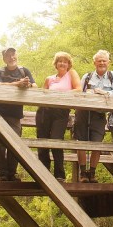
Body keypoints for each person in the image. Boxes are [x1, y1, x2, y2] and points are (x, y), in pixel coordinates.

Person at [74, 49, 113, 183]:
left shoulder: (112, 76)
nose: (102, 63)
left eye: (104, 60)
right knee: (80, 142)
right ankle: (83, 173)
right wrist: (88, 93)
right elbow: (78, 93)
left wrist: (102, 93)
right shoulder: (87, 76)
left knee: (97, 144)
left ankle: (92, 173)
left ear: (108, 63)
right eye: (99, 60)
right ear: (94, 62)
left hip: (99, 114)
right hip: (83, 112)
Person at [0, 47, 36, 182]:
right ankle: (2, 174)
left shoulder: (24, 71)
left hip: (15, 114)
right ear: (4, 59)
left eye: (13, 54)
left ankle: (12, 173)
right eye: (8, 55)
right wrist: (17, 83)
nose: (12, 57)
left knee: (15, 143)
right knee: (0, 143)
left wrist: (27, 85)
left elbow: (35, 86)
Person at [36, 51, 81, 181]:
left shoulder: (71, 74)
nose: (62, 63)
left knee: (56, 139)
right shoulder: (49, 79)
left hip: (61, 111)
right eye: (60, 61)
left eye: (65, 61)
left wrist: (60, 96)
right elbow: (41, 95)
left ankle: (59, 174)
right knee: (42, 140)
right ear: (55, 64)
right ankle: (43, 173)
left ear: (68, 64)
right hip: (45, 111)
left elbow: (78, 89)